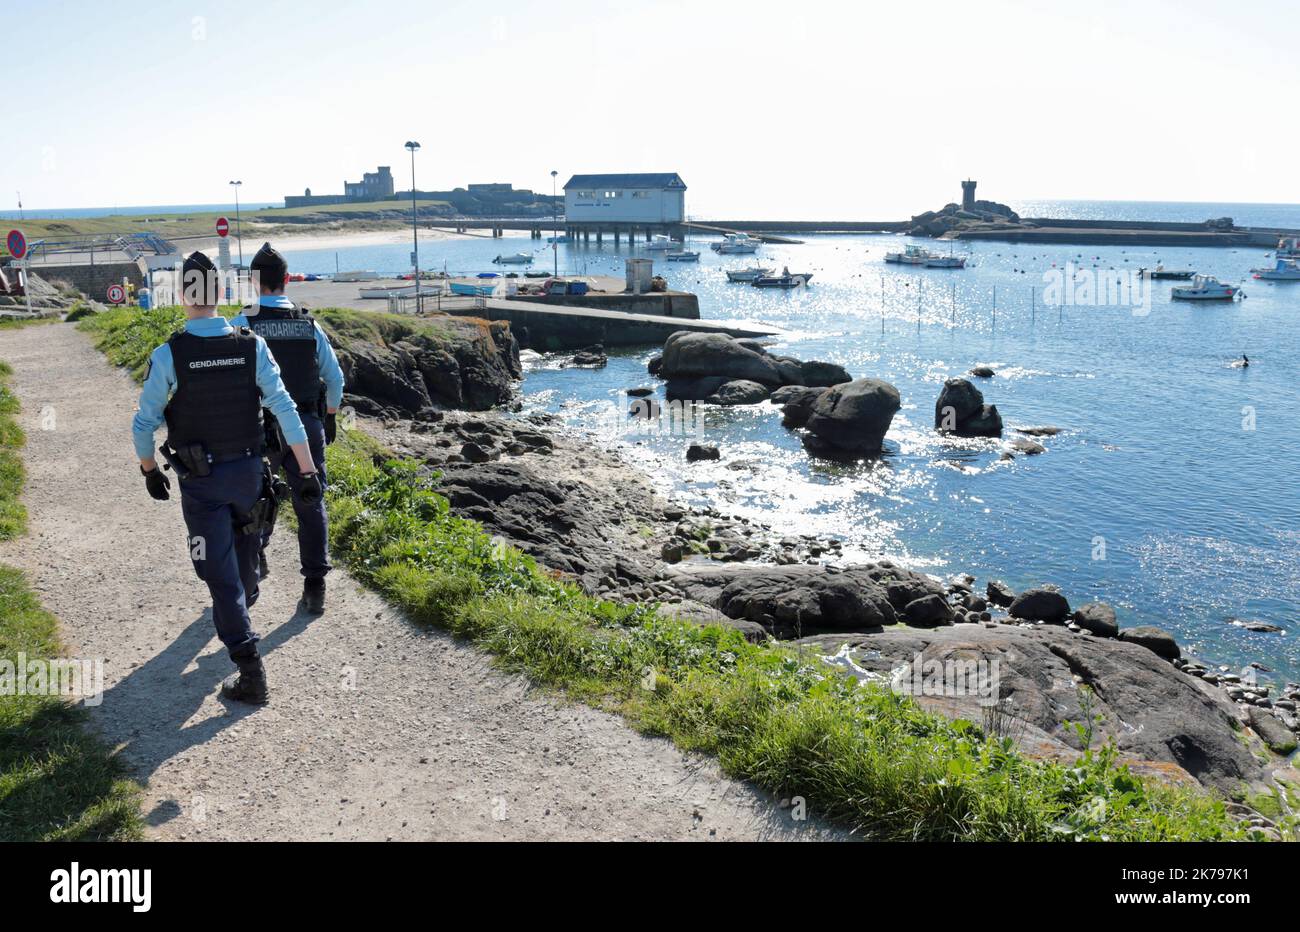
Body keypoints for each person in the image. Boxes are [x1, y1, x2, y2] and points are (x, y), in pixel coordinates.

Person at [132, 251, 321, 704]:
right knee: (244, 549)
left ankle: (249, 667)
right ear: (221, 294)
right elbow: (285, 409)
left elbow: (144, 424)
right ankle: (246, 593)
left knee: (217, 574)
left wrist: (149, 470)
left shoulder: (169, 355)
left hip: (203, 484)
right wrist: (309, 468)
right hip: (250, 474)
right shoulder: (252, 345)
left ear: (181, 296)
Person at [230, 243, 344, 615]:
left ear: (253, 281)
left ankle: (256, 561)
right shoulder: (309, 324)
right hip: (306, 424)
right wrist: (329, 416)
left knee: (256, 500)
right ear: (288, 279)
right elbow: (335, 378)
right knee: (310, 502)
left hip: (258, 428)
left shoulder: (242, 324)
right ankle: (315, 586)